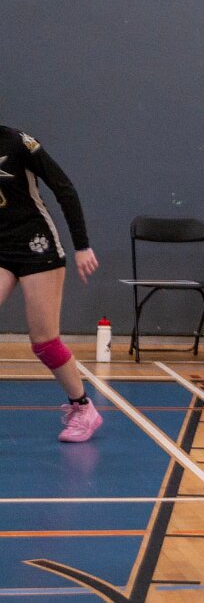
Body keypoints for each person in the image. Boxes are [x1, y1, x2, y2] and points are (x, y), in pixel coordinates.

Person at [0, 124, 102, 442]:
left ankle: (83, 408)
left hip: (36, 245)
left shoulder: (18, 142)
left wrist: (82, 246)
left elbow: (64, 188)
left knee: (44, 340)